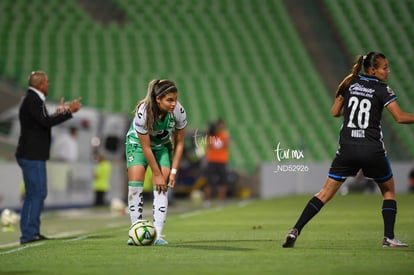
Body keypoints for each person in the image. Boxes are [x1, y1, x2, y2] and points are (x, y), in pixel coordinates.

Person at [282, 52, 414, 248]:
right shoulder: (382, 88)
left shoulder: (350, 83)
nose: (388, 71)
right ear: (372, 70)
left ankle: (295, 230)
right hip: (372, 149)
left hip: (348, 149)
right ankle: (388, 237)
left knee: (324, 194)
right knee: (388, 192)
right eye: (384, 67)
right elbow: (400, 117)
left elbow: (335, 112)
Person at [15, 71, 82, 244]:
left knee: (35, 193)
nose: (49, 84)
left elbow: (42, 121)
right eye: (47, 81)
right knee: (36, 193)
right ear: (39, 84)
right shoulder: (33, 99)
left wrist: (59, 113)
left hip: (33, 154)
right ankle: (29, 233)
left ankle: (32, 232)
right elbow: (45, 122)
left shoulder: (32, 99)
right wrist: (68, 112)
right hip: (32, 154)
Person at [125, 79, 187, 245]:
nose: (174, 103)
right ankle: (135, 231)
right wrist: (157, 173)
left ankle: (157, 235)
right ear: (158, 99)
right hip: (137, 145)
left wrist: (173, 171)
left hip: (162, 147)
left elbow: (180, 142)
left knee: (161, 188)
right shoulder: (143, 112)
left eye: (175, 99)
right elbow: (146, 148)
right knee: (134, 187)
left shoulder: (179, 111)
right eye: (169, 100)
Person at [203, 118, 230, 207]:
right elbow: (209, 145)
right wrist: (210, 131)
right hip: (211, 160)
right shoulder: (211, 135)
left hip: (222, 160)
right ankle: (207, 200)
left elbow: (226, 145)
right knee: (209, 181)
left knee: (222, 181)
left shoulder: (225, 135)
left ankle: (222, 200)